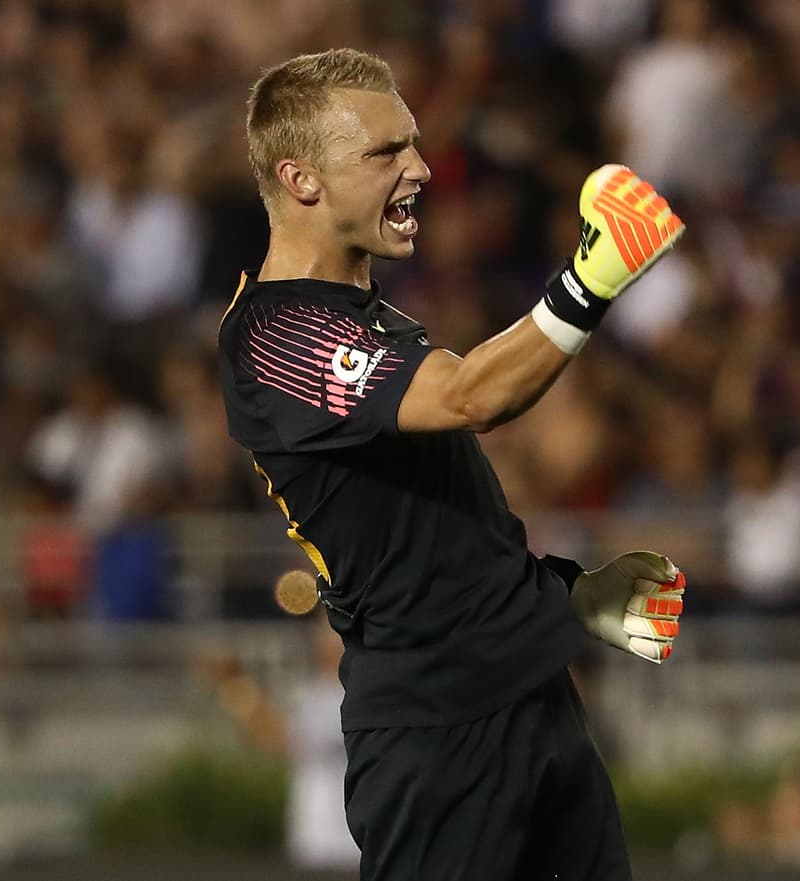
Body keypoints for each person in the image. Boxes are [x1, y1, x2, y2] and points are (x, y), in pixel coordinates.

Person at [218, 48, 688, 881]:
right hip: (437, 729)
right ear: (301, 180)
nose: (421, 168)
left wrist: (565, 596)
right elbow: (473, 396)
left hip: (527, 693)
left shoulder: (374, 321)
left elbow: (422, 522)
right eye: (385, 152)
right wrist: (594, 274)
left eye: (414, 143)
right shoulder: (277, 337)